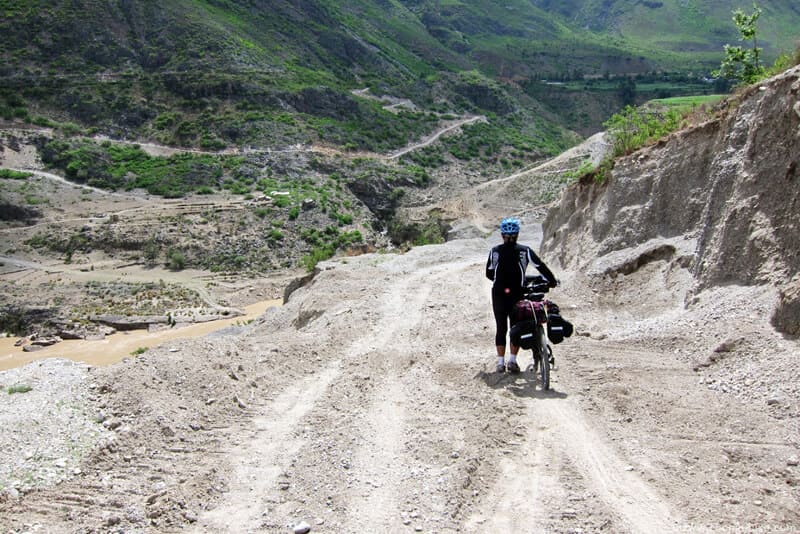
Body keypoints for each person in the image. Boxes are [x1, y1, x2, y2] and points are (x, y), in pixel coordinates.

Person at [485, 217, 558, 374]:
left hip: (499, 294)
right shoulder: (525, 251)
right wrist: (552, 281)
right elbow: (541, 267)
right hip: (517, 293)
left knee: (501, 327)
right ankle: (512, 361)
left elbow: (489, 273)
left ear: (502, 235)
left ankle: (500, 363)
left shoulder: (495, 251)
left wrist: (502, 283)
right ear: (517, 235)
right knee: (516, 327)